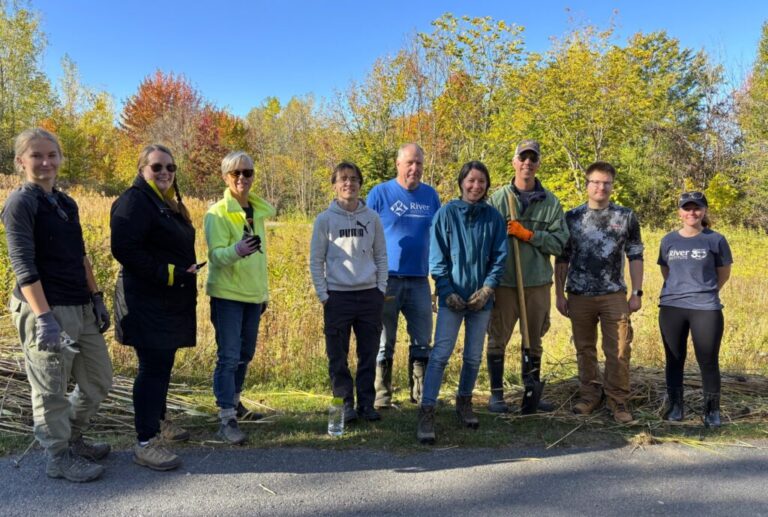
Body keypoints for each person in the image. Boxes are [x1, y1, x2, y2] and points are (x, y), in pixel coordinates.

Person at [1, 128, 113, 483]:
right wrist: (44, 317)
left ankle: (73, 437)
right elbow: (23, 264)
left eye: (52, 154)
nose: (45, 162)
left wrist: (95, 297)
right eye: (36, 155)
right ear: (21, 162)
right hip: (46, 308)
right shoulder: (20, 203)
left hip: (79, 305)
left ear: (60, 158)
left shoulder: (66, 203)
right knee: (50, 387)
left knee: (98, 379)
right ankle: (58, 455)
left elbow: (81, 255)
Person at [111, 144, 199, 471]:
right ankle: (146, 442)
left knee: (163, 365)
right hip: (146, 302)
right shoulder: (134, 201)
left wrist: (178, 274)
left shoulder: (164, 204)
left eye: (170, 168)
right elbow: (124, 248)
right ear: (142, 169)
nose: (165, 173)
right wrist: (169, 273)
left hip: (168, 301)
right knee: (152, 368)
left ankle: (159, 422)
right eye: (157, 167)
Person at [417, 161, 507, 444]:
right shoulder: (446, 215)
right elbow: (437, 258)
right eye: (471, 180)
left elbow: (499, 256)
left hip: (481, 301)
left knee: (472, 356)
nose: (475, 186)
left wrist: (488, 289)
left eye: (481, 181)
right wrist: (446, 291)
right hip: (451, 299)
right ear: (461, 183)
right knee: (441, 353)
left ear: (486, 185)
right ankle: (427, 409)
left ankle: (464, 402)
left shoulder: (493, 218)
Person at [555, 162, 644, 424]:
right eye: (595, 182)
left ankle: (618, 401)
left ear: (612, 186)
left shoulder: (625, 216)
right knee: (585, 349)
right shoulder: (572, 217)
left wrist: (637, 292)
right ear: (587, 184)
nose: (600, 187)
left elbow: (636, 255)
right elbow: (562, 258)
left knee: (618, 349)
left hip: (613, 294)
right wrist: (559, 294)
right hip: (579, 294)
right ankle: (589, 396)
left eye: (606, 182)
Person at [486, 139, 569, 413]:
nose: (527, 163)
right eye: (523, 158)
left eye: (533, 159)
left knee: (534, 338)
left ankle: (531, 391)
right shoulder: (499, 200)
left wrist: (530, 235)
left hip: (537, 283)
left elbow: (560, 244)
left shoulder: (551, 203)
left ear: (538, 164)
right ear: (514, 161)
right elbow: (484, 241)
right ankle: (496, 395)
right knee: (498, 337)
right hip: (505, 283)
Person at [204, 151, 275, 444]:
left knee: (245, 354)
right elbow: (216, 257)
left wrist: (263, 293)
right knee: (229, 356)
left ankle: (235, 404)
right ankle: (225, 418)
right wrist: (237, 250)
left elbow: (260, 259)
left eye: (248, 173)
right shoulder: (216, 213)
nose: (243, 178)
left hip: (252, 295)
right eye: (236, 173)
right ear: (225, 177)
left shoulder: (256, 211)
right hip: (227, 295)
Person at [310, 162, 388, 423]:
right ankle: (344, 406)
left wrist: (380, 289)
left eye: (354, 179)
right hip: (338, 297)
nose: (349, 184)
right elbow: (316, 260)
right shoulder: (325, 220)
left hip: (369, 296)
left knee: (368, 355)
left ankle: (367, 404)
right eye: (343, 179)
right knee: (337, 357)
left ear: (359, 184)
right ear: (334, 185)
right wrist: (324, 295)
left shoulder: (372, 218)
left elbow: (381, 255)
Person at [367, 143, 441, 409]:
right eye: (410, 162)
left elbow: (438, 236)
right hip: (387, 279)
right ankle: (382, 396)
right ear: (398, 164)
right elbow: (366, 234)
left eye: (419, 163)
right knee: (384, 341)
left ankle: (420, 394)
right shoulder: (380, 194)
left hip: (420, 279)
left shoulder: (431, 196)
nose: (415, 168)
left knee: (422, 339)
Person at [657, 192, 732, 428]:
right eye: (686, 208)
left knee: (708, 360)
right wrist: (680, 291)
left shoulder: (715, 240)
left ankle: (712, 411)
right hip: (672, 306)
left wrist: (704, 291)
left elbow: (723, 273)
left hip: (705, 308)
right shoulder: (668, 240)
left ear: (704, 211)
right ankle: (676, 407)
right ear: (679, 212)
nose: (691, 213)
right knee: (674, 358)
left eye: (696, 208)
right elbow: (666, 271)